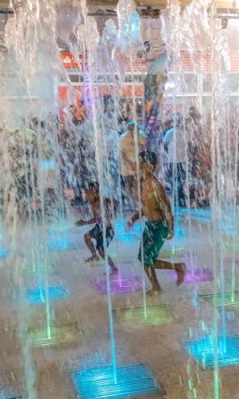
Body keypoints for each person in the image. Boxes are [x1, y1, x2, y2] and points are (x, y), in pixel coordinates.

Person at [126, 150, 186, 294]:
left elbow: (167, 208)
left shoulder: (155, 185)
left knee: (147, 258)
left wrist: (171, 229)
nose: (138, 165)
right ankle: (159, 284)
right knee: (144, 258)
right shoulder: (144, 184)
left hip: (160, 226)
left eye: (141, 163)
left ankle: (175, 270)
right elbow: (146, 207)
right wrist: (133, 219)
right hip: (150, 226)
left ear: (150, 166)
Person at [77, 182, 118, 275]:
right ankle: (94, 255)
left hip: (107, 230)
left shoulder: (99, 202)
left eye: (87, 192)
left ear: (94, 192)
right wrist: (113, 211)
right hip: (99, 228)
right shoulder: (95, 202)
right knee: (86, 237)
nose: (85, 195)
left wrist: (84, 222)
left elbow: (96, 219)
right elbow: (115, 202)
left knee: (102, 251)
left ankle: (113, 268)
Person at [118, 117, 146, 208]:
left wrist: (136, 143)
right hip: (126, 163)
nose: (135, 132)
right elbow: (122, 153)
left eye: (136, 130)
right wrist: (130, 163)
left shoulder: (141, 135)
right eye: (133, 130)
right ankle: (131, 200)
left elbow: (144, 148)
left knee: (137, 182)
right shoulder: (123, 138)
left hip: (138, 161)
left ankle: (137, 200)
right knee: (128, 182)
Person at [162, 116, 188, 208]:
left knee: (173, 179)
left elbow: (165, 144)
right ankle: (180, 199)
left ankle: (177, 199)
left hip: (173, 160)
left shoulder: (170, 132)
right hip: (181, 160)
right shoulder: (183, 133)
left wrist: (169, 153)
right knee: (180, 179)